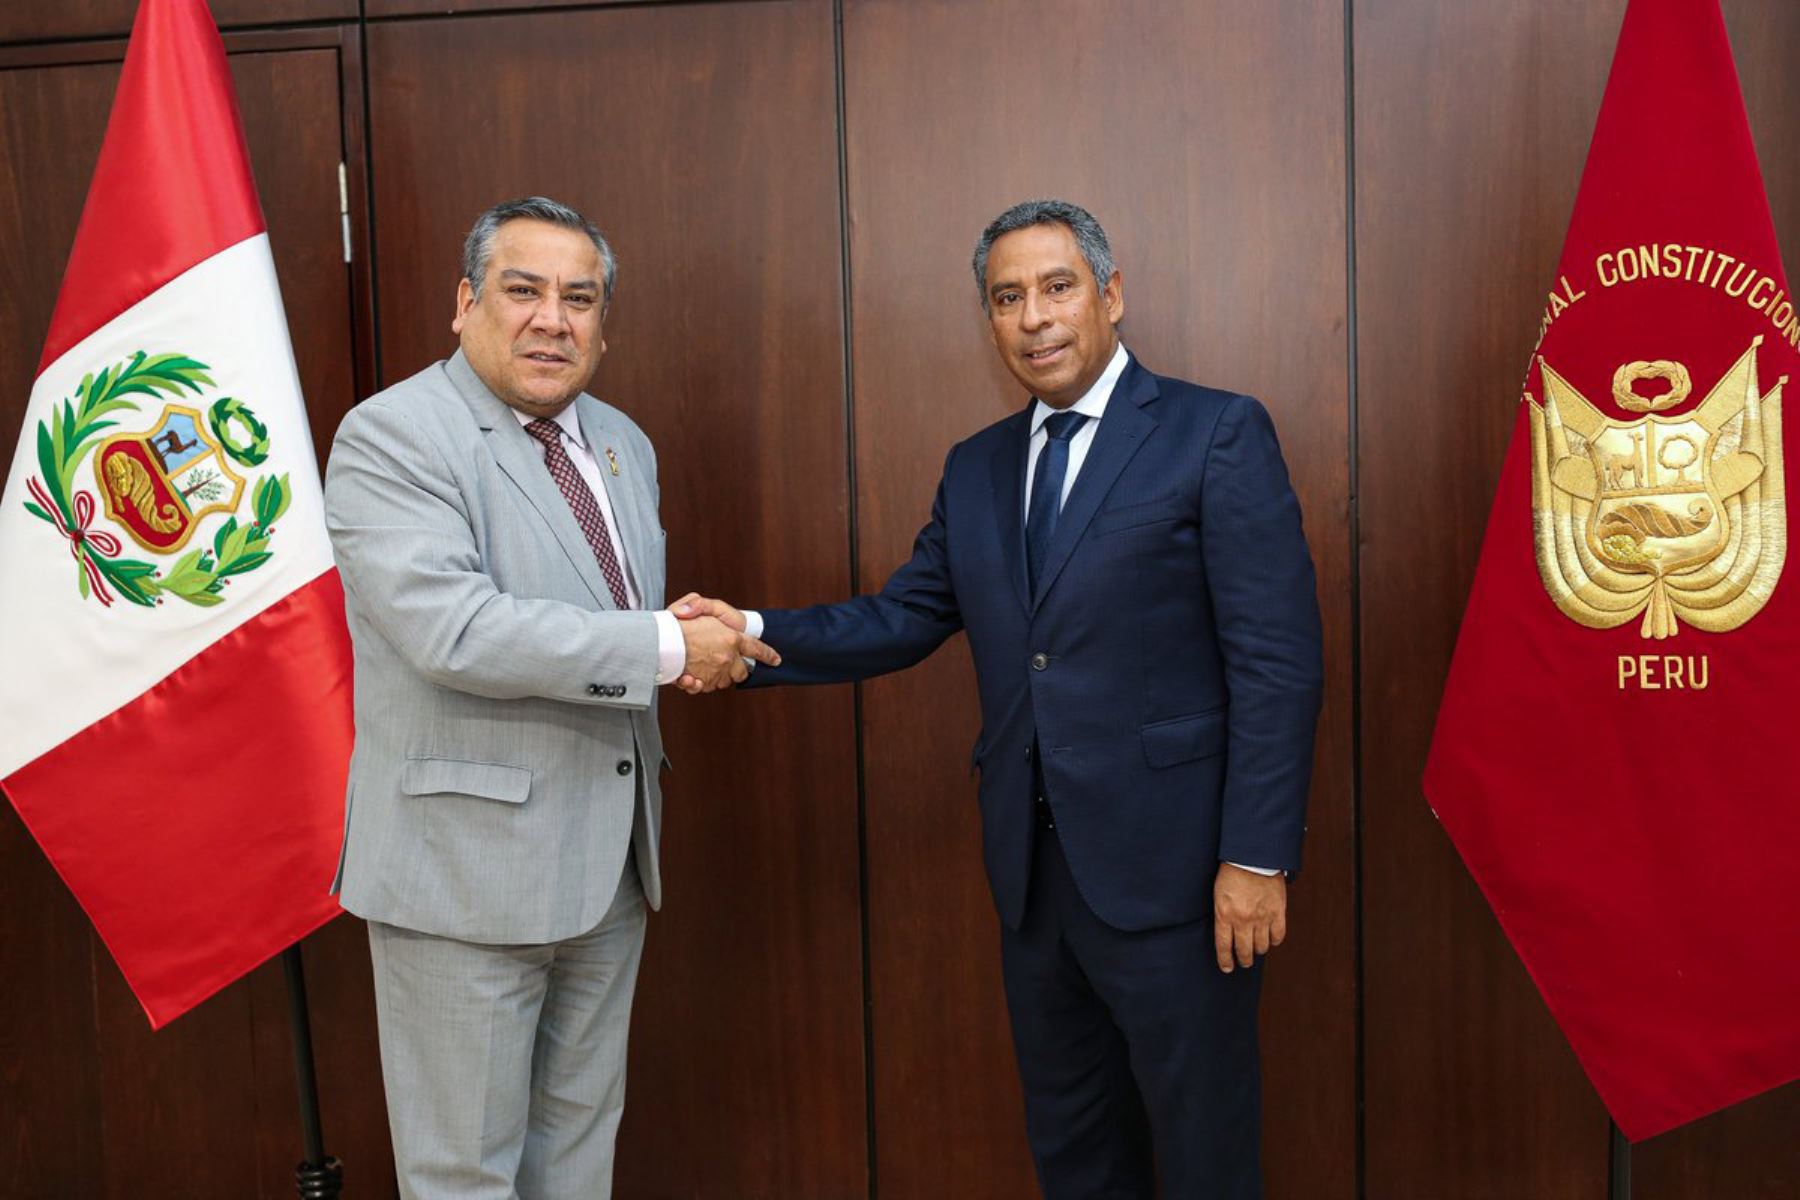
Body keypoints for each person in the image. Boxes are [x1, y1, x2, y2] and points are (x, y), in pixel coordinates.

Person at [677, 198, 1322, 1198]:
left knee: (1204, 1154)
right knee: (1074, 1153)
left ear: (1109, 294)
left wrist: (1257, 855)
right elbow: (898, 618)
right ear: (988, 318)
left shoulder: (1214, 432)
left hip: (1185, 881)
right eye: (1007, 297)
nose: (1035, 318)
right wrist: (749, 631)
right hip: (1035, 885)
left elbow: (1277, 662)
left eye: (1057, 287)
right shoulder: (976, 469)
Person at [323, 195, 776, 1200]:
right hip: (463, 880)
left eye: (580, 298)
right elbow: (458, 629)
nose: (551, 319)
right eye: (522, 291)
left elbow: (595, 609)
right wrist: (666, 643)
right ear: (464, 303)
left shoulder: (620, 440)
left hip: (608, 869)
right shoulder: (393, 436)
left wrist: (678, 631)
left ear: (604, 325)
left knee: (575, 1162)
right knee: (463, 1177)